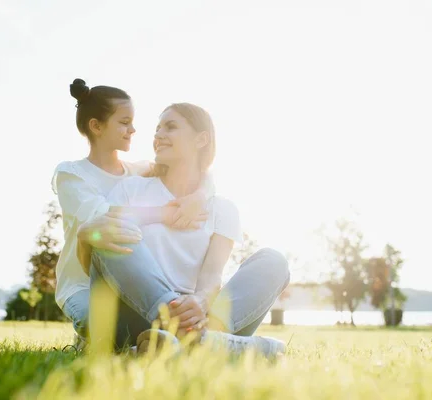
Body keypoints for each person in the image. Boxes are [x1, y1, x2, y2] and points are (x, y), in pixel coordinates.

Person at [80, 103, 291, 357]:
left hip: (197, 316)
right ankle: (201, 341)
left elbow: (212, 277)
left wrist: (201, 301)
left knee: (273, 261)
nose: (158, 135)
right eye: (157, 129)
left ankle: (196, 340)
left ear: (201, 139)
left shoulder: (222, 209)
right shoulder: (131, 189)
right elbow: (100, 261)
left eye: (170, 127)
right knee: (115, 231)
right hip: (132, 316)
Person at [52, 79, 209, 348]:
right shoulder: (71, 174)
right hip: (82, 285)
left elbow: (193, 170)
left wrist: (201, 195)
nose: (133, 130)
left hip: (127, 280)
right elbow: (103, 216)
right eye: (124, 122)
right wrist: (164, 213)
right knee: (102, 329)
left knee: (133, 332)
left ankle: (167, 338)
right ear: (96, 126)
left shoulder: (137, 171)